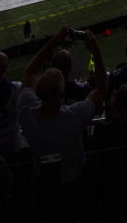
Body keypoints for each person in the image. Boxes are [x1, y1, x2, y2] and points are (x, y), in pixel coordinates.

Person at [17, 27, 106, 184]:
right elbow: (101, 90)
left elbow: (29, 73)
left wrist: (53, 42)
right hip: (75, 176)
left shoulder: (26, 112)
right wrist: (95, 50)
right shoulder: (74, 116)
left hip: (42, 177)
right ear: (61, 93)